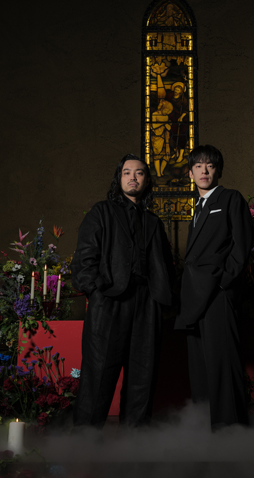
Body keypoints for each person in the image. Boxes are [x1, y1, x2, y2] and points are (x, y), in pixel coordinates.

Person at [71, 154, 175, 428]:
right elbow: (84, 259)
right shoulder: (101, 212)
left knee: (143, 374)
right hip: (109, 300)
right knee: (98, 373)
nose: (133, 177)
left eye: (139, 173)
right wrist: (96, 292)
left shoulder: (154, 222)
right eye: (127, 172)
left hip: (148, 303)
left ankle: (135, 443)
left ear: (146, 180)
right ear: (119, 179)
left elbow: (167, 266)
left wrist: (163, 300)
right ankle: (85, 440)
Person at [175, 145, 253, 430]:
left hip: (218, 294)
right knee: (201, 366)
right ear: (191, 173)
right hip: (195, 298)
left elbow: (242, 247)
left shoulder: (230, 198)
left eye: (210, 165)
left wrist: (223, 283)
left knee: (223, 362)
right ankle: (204, 428)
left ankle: (230, 430)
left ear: (218, 170)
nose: (204, 170)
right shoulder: (197, 208)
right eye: (198, 166)